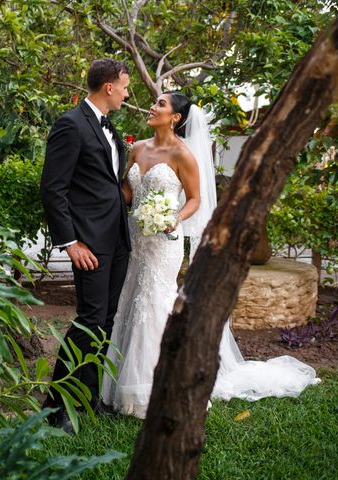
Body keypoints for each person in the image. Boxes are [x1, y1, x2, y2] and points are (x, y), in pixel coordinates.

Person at [101, 91, 321, 419]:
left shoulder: (183, 155)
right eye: (155, 102)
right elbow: (128, 193)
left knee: (153, 304)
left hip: (165, 242)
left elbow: (193, 199)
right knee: (129, 299)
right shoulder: (137, 148)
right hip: (135, 238)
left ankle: (156, 388)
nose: (153, 106)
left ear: (175, 117)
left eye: (161, 104)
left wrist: (172, 217)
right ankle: (117, 381)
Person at [40, 59, 132, 433]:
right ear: (109, 86)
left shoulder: (107, 127)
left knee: (105, 322)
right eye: (125, 86)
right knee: (89, 321)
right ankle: (55, 408)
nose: (128, 93)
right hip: (89, 244)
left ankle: (87, 398)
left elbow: (107, 185)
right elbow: (52, 188)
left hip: (117, 241)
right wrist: (70, 242)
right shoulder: (71, 124)